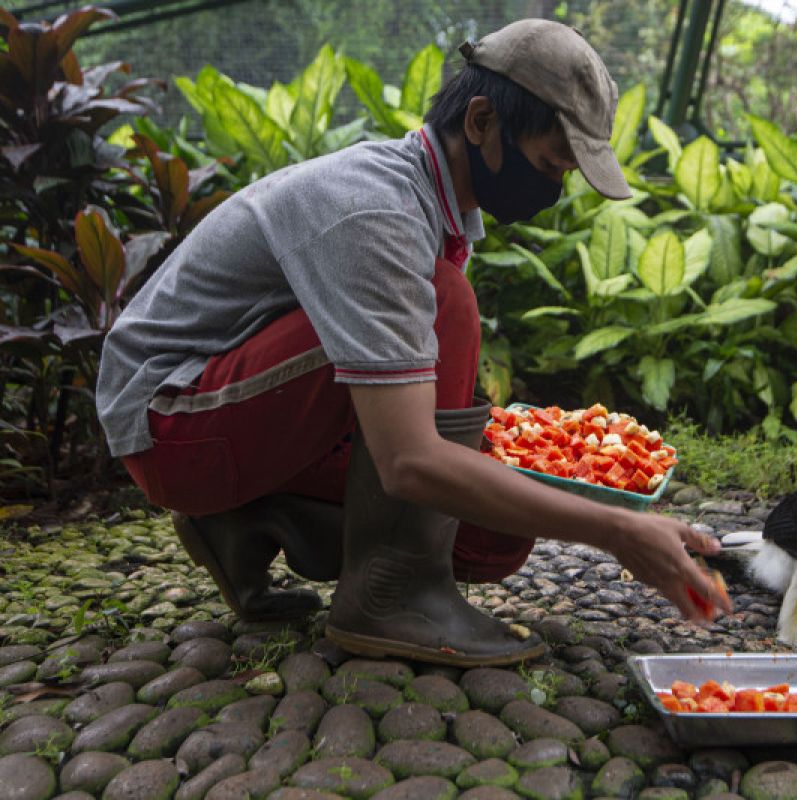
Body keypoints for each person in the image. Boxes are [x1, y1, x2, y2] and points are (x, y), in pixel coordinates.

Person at [95, 19, 730, 667]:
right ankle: (388, 598)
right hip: (171, 424)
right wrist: (619, 531)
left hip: (232, 420)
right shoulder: (376, 210)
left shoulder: (432, 205)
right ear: (481, 121)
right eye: (549, 165)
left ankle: (240, 521)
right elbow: (408, 462)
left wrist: (579, 499)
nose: (554, 188)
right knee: (445, 304)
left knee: (492, 538)